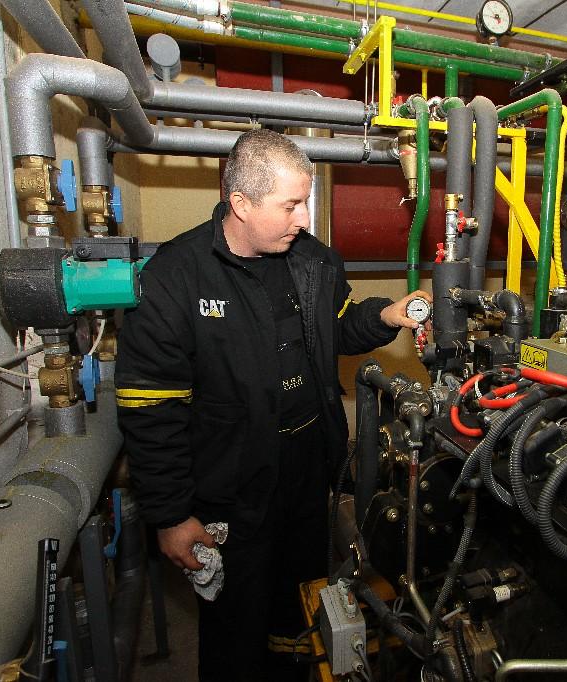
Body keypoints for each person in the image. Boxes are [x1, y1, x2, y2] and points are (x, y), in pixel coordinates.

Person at [115, 128, 429, 681]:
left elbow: (336, 325)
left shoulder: (312, 261)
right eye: (291, 205)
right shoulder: (176, 276)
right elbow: (150, 409)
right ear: (241, 203)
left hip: (306, 472)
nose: (304, 218)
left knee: (299, 604)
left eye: (304, 202)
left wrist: (385, 316)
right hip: (229, 487)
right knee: (235, 624)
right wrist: (171, 515)